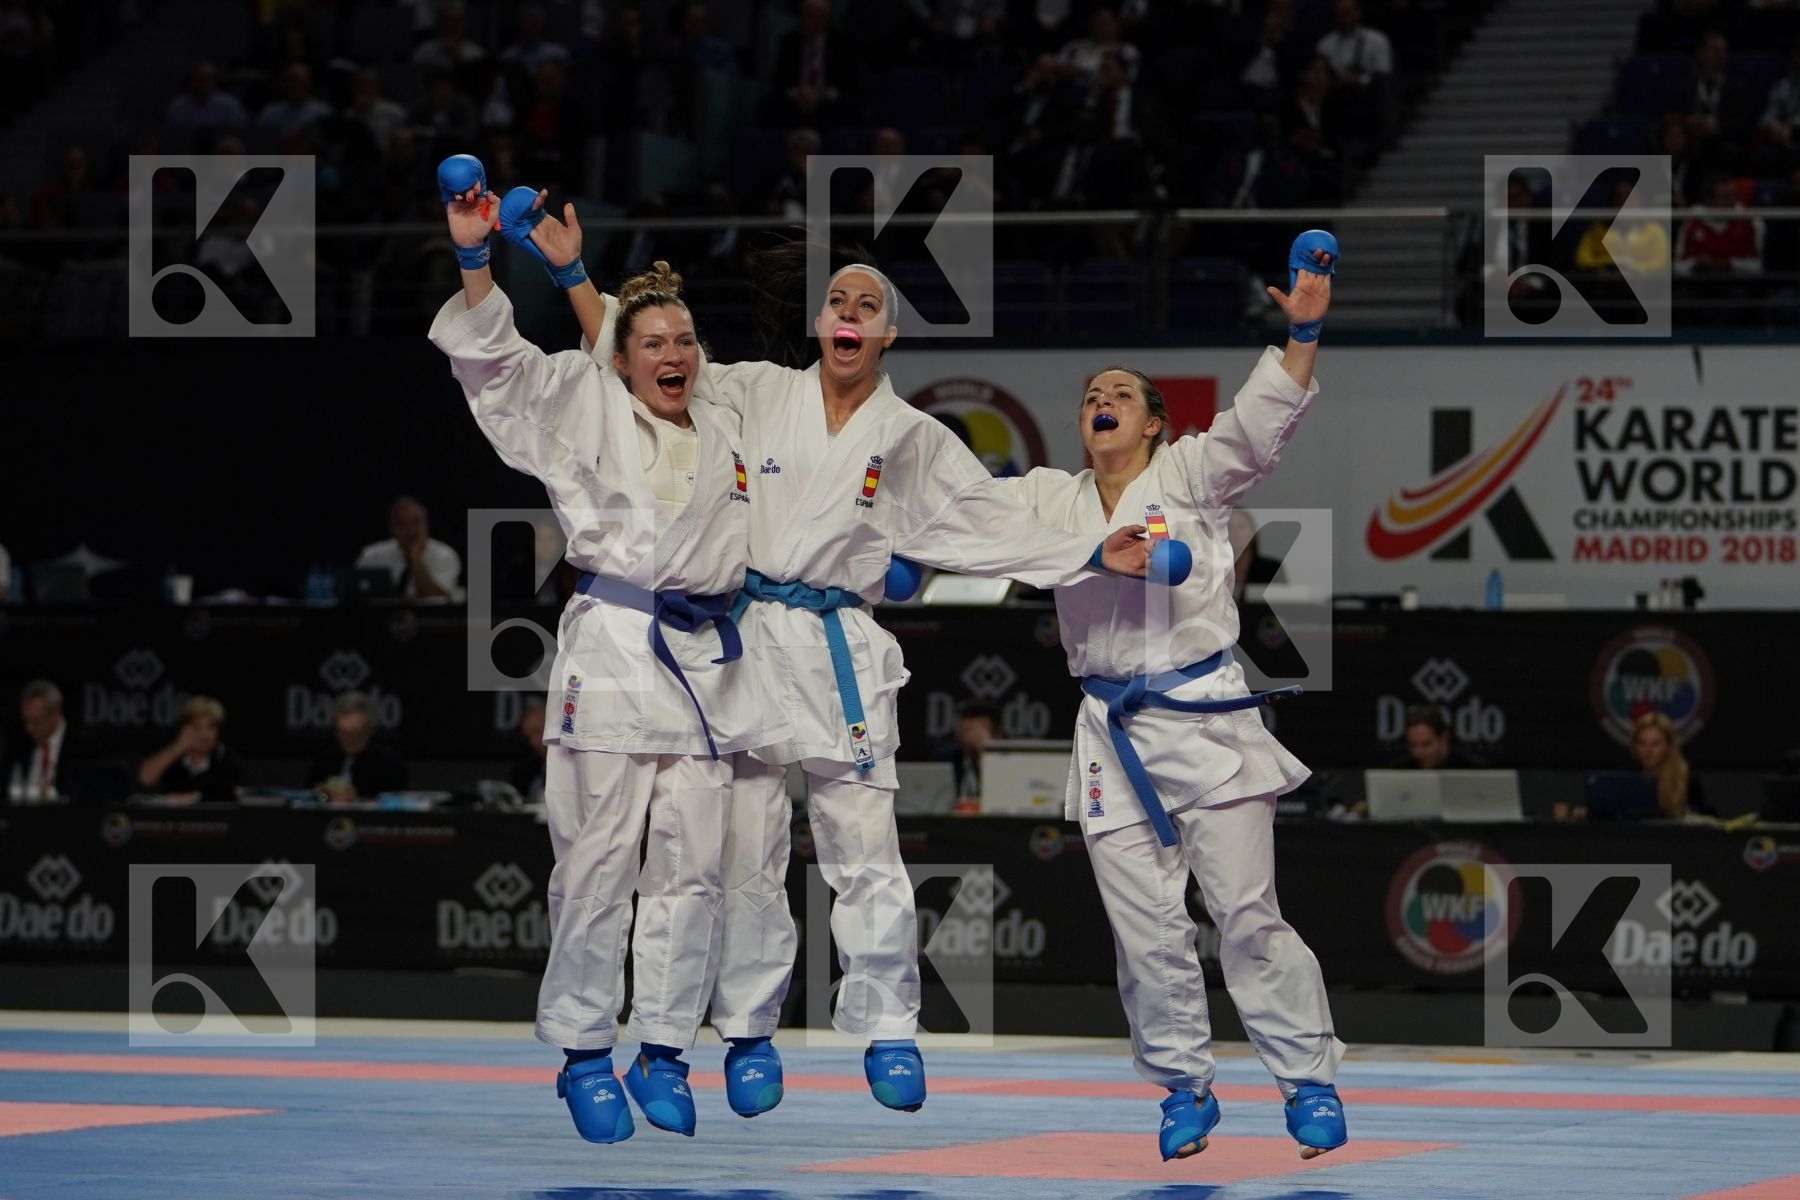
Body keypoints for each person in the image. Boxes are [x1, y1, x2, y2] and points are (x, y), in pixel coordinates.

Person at [570, 248, 1157, 1119]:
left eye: (867, 303)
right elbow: (652, 357)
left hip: (840, 645)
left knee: (865, 851)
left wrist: (1082, 552)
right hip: (747, 641)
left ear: (886, 333)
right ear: (820, 325)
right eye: (836, 298)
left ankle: (889, 1027)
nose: (848, 310)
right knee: (747, 852)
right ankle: (747, 1032)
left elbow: (988, 521)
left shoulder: (912, 438)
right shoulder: (756, 391)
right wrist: (573, 276)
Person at [429, 158, 788, 1146]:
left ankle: (665, 1046)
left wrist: (588, 278)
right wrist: (475, 258)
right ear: (620, 358)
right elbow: (496, 368)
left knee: (692, 869)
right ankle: (584, 1050)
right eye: (652, 342)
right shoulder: (581, 405)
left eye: (685, 339)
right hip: (618, 646)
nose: (673, 352)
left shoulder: (728, 423)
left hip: (715, 661)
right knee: (595, 864)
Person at [991, 231, 1347, 1161]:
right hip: (1111, 730)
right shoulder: (1048, 498)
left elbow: (1257, 427)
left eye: (1121, 395)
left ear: (1154, 423)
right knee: (1145, 931)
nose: (1100, 403)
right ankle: (1184, 1085)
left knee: (1246, 912)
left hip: (1209, 716)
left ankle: (1306, 1076)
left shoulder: (1190, 475)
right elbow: (977, 530)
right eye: (1089, 396)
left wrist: (1300, 334)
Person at [6, 680, 102, 805]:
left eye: (36, 721)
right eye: (26, 720)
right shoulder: (20, 744)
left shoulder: (84, 746)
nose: (29, 728)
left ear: (56, 713)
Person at [136, 696, 242, 805]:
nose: (204, 735)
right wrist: (178, 747)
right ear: (184, 729)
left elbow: (234, 795)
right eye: (197, 727)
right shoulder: (173, 757)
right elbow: (145, 779)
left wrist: (195, 798)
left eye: (211, 727)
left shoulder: (226, 758)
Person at [356, 496, 466, 601]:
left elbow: (433, 596)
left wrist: (416, 558)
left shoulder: (444, 555)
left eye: (416, 522)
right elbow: (355, 592)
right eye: (402, 524)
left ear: (426, 524)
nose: (410, 530)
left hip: (428, 618)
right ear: (392, 527)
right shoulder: (373, 554)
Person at [305, 690, 408, 801]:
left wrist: (356, 801)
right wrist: (317, 795)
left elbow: (399, 806)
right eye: (343, 733)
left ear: (370, 730)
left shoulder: (389, 764)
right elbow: (303, 798)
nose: (349, 740)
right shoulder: (325, 760)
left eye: (356, 733)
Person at [936, 698, 999, 804]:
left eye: (977, 732)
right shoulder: (946, 759)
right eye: (965, 731)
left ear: (997, 734)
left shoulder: (1009, 763)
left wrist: (985, 752)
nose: (969, 738)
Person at [1392, 704, 1486, 771]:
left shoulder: (1472, 769)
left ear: (1443, 737)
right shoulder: (1399, 770)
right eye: (1413, 745)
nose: (1417, 753)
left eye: (1426, 744)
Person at [510, 695, 549, 803]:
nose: (533, 742)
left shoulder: (577, 771)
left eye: (537, 732)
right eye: (528, 736)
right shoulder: (525, 772)